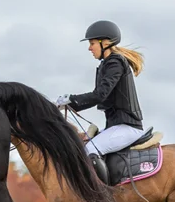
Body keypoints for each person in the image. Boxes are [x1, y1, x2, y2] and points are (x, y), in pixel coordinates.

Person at [56, 20, 145, 184]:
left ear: (105, 43)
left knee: (91, 149)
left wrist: (72, 100)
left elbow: (100, 94)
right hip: (116, 125)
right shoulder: (107, 63)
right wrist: (71, 103)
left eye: (92, 43)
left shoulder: (115, 62)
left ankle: (103, 198)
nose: (89, 48)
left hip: (127, 126)